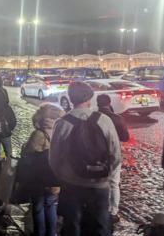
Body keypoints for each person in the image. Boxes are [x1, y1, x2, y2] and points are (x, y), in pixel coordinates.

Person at [50, 81, 121, 236]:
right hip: (99, 184)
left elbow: (54, 158)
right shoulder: (104, 120)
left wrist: (64, 176)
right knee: (100, 226)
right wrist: (107, 175)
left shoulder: (62, 123)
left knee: (72, 226)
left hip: (72, 184)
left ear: (70, 98)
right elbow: (116, 155)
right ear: (90, 98)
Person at [21, 104, 64, 236]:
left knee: (38, 206)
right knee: (50, 205)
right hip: (54, 177)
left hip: (38, 178)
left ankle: (39, 233)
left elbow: (28, 158)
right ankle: (51, 233)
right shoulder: (60, 132)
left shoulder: (38, 134)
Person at [97, 94, 129, 224]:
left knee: (99, 183)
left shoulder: (93, 117)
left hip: (97, 155)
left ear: (98, 103)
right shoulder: (117, 118)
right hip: (114, 154)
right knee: (114, 183)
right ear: (109, 103)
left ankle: (100, 209)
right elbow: (125, 137)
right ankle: (113, 211)